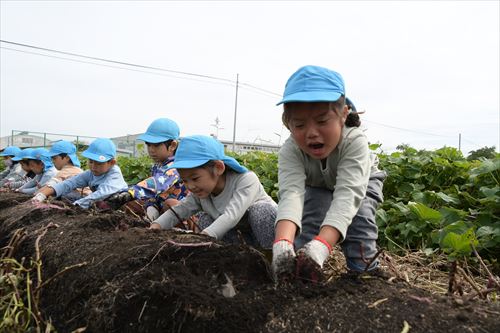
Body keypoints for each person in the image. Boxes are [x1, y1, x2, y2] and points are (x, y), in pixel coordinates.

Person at [271, 65, 386, 282]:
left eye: (322, 121)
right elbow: (291, 194)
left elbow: (348, 195)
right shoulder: (291, 150)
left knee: (360, 218)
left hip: (362, 182)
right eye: (300, 124)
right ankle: (301, 275)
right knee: (310, 219)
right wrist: (282, 244)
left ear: (343, 115)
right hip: (317, 184)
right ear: (288, 124)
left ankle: (364, 275)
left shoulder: (354, 141)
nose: (312, 133)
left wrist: (323, 246)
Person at [150, 135, 276, 249]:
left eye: (195, 178)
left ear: (218, 168)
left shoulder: (245, 180)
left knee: (261, 211)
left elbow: (231, 215)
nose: (190, 186)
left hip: (269, 236)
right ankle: (237, 262)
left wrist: (202, 238)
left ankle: (274, 261)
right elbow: (180, 209)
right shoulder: (201, 193)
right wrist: (155, 227)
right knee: (205, 219)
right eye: (185, 180)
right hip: (244, 240)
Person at [107, 118, 188, 221]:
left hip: (180, 214)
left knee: (171, 204)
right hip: (160, 208)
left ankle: (174, 229)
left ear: (172, 145)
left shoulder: (176, 167)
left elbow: (158, 183)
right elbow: (153, 193)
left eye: (156, 145)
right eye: (148, 145)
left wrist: (132, 192)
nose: (151, 150)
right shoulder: (157, 166)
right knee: (130, 201)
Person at [32, 138, 128, 208]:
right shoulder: (91, 173)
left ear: (111, 163)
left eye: (99, 163)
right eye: (91, 161)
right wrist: (42, 195)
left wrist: (75, 206)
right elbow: (70, 183)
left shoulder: (114, 174)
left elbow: (101, 194)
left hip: (121, 206)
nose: (93, 166)